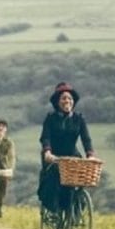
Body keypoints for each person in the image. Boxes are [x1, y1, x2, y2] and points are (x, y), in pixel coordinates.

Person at [38, 82, 95, 212]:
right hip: (53, 155)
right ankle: (55, 209)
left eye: (70, 98)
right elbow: (45, 137)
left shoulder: (79, 119)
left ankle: (73, 210)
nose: (67, 101)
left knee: (76, 180)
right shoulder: (50, 118)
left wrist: (90, 155)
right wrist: (47, 151)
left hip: (71, 154)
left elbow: (86, 139)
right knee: (54, 178)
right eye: (63, 98)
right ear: (58, 102)